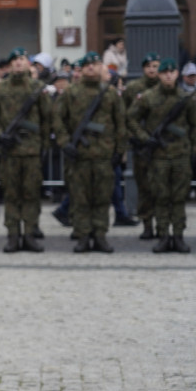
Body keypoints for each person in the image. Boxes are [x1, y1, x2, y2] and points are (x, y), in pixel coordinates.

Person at [53, 51, 126, 254]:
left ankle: (100, 236)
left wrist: (119, 151)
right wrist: (65, 143)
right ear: (82, 69)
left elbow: (121, 123)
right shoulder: (71, 93)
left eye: (95, 64)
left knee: (102, 198)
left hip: (104, 156)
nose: (91, 68)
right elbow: (58, 120)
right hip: (79, 156)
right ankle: (83, 236)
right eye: (87, 65)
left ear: (101, 67)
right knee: (80, 199)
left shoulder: (110, 94)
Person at [126, 58, 195, 253]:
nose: (168, 76)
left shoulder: (185, 98)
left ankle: (179, 236)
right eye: (165, 72)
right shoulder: (148, 97)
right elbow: (131, 118)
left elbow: (194, 125)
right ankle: (163, 235)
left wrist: (192, 150)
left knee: (179, 198)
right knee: (161, 197)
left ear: (177, 75)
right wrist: (144, 138)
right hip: (158, 155)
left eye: (172, 73)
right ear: (160, 75)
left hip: (181, 154)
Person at [0, 48, 51, 253]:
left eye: (21, 59)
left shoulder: (37, 88)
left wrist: (44, 145)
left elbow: (47, 118)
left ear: (28, 63)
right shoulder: (0, 89)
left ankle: (30, 234)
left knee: (31, 195)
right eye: (13, 60)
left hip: (31, 151)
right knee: (12, 195)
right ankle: (13, 235)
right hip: (10, 151)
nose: (17, 63)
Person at [123, 52, 161, 237]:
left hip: (163, 146)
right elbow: (126, 115)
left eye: (155, 66)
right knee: (144, 186)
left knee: (162, 187)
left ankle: (163, 224)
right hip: (141, 146)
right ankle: (147, 224)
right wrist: (133, 136)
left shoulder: (167, 87)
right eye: (149, 66)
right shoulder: (133, 88)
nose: (152, 70)